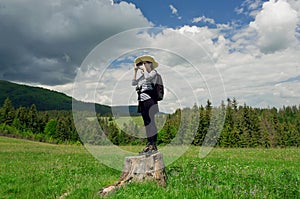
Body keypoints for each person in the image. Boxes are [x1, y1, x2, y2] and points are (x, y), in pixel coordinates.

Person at [132, 55, 159, 155]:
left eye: (145, 62)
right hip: (142, 101)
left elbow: (148, 79)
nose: (143, 64)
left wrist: (144, 69)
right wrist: (135, 71)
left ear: (150, 64)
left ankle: (153, 144)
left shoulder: (153, 73)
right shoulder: (143, 75)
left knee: (151, 122)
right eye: (142, 63)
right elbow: (134, 83)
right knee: (146, 123)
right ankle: (149, 144)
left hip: (150, 100)